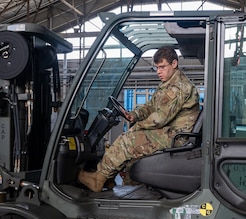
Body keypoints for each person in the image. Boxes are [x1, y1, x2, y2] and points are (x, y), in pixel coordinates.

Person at [78, 46, 200, 192]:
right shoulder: (167, 84)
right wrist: (133, 115)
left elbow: (159, 118)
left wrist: (137, 126)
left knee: (127, 141)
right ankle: (115, 181)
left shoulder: (178, 88)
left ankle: (99, 179)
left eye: (162, 67)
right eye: (156, 68)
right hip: (169, 132)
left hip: (176, 137)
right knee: (132, 156)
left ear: (174, 64)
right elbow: (151, 106)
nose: (158, 72)